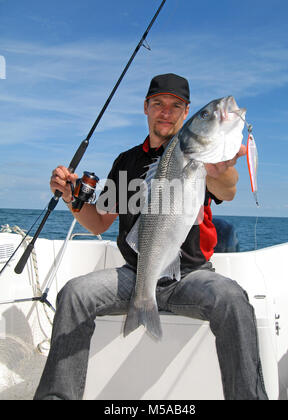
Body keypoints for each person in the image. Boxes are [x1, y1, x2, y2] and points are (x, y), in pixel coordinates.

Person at [34, 73, 268, 400]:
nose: (166, 112)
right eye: (158, 104)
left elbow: (227, 189)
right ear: (146, 107)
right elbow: (100, 222)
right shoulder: (126, 161)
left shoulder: (202, 156)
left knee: (232, 299)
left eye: (177, 106)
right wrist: (71, 198)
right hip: (137, 273)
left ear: (186, 114)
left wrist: (220, 171)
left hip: (191, 276)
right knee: (75, 293)